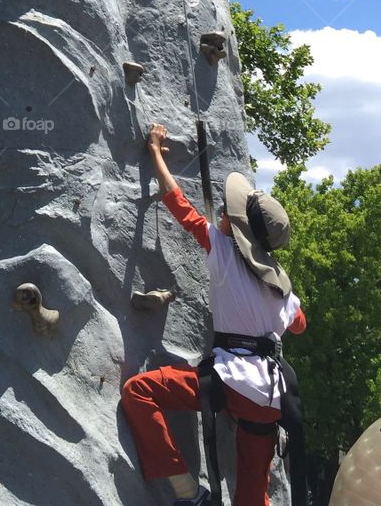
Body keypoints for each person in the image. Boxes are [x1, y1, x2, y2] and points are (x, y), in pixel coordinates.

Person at [121, 123, 307, 506]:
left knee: (138, 392)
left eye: (228, 212)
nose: (223, 212)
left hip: (230, 379)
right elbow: (300, 326)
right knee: (253, 496)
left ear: (235, 228)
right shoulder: (282, 287)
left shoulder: (222, 250)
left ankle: (188, 493)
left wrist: (155, 150)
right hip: (270, 398)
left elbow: (178, 203)